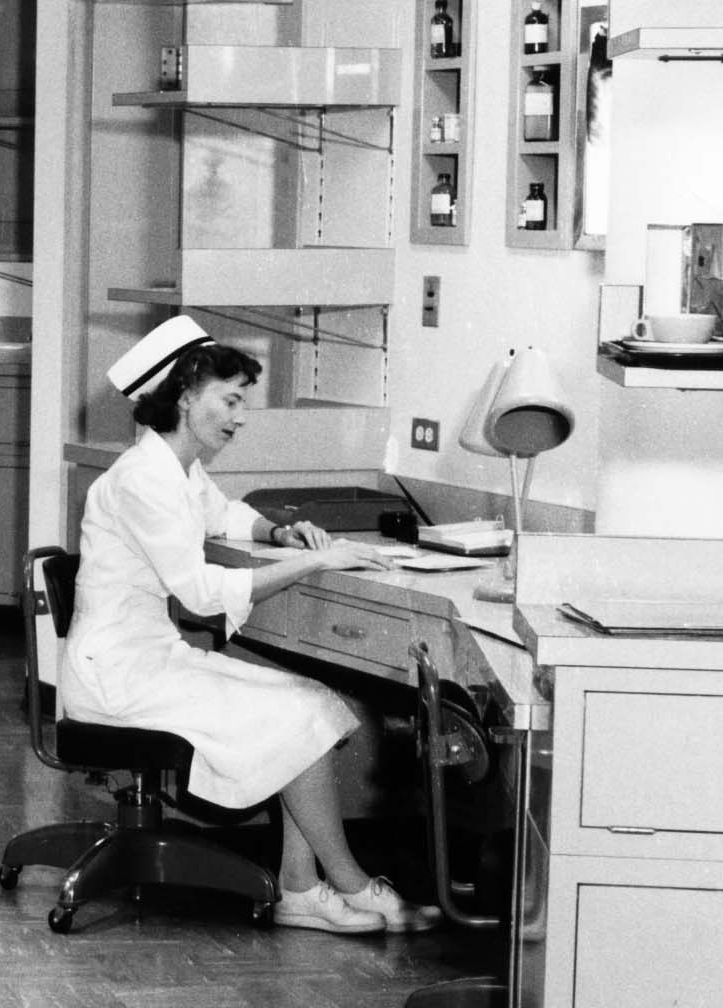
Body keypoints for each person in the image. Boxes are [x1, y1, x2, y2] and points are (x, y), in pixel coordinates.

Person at [59, 313, 441, 935]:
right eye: (231, 400)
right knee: (295, 715)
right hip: (118, 677)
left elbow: (225, 514)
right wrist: (314, 560)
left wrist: (281, 533)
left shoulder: (175, 468)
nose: (240, 417)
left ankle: (300, 887)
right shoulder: (140, 481)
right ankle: (347, 884)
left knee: (314, 701)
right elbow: (204, 593)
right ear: (185, 397)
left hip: (148, 659)